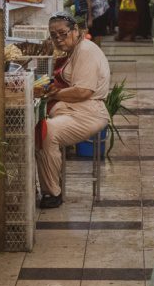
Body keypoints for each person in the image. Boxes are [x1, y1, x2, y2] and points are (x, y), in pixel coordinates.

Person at [34, 13, 110, 208]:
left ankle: (52, 192)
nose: (58, 39)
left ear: (75, 31)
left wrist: (53, 94)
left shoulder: (86, 51)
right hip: (75, 109)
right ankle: (48, 181)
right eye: (54, 35)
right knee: (43, 128)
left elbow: (83, 91)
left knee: (47, 132)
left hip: (89, 112)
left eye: (63, 34)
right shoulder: (74, 50)